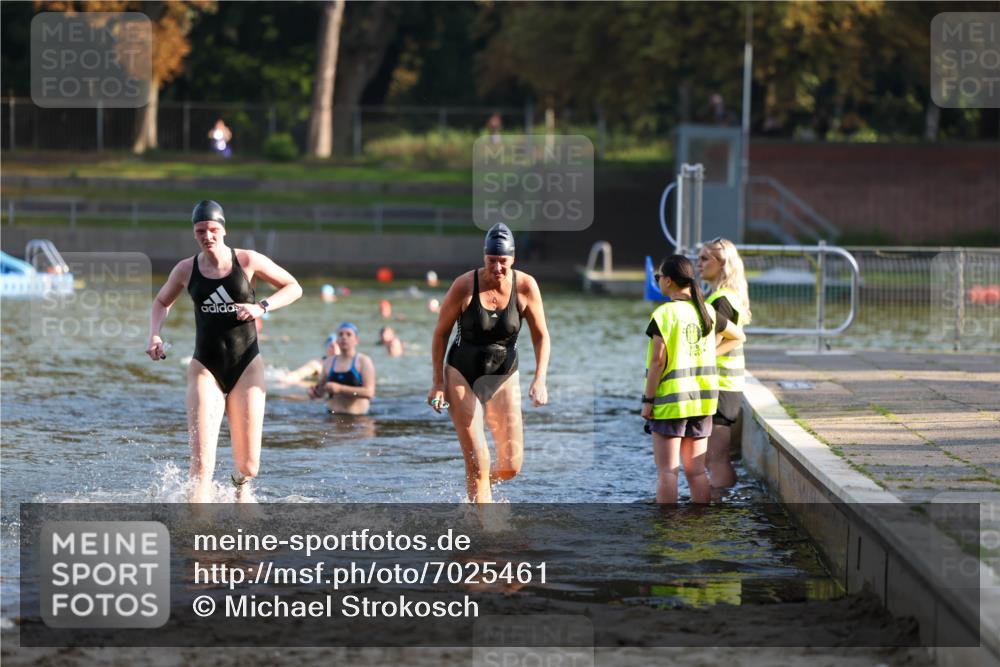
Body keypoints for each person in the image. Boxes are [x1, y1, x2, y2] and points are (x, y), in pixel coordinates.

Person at [147, 200, 302, 502]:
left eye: (213, 229)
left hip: (247, 364)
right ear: (194, 234)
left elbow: (293, 287)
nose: (208, 235)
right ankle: (198, 533)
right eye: (201, 230)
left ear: (224, 230)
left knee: (249, 465)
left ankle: (239, 490)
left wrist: (261, 307)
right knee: (202, 464)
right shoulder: (185, 270)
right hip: (205, 366)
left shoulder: (247, 261)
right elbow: (161, 303)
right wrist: (154, 334)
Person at [428, 223, 550, 504]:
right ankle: (484, 528)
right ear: (484, 257)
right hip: (462, 372)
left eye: (502, 262)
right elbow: (440, 333)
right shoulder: (464, 285)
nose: (497, 268)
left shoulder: (525, 286)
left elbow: (542, 336)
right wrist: (437, 383)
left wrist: (540, 378)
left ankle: (478, 489)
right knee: (478, 460)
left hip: (504, 374)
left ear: (513, 259)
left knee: (510, 466)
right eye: (491, 261)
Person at [641, 255, 745, 504]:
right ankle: (700, 528)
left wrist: (648, 401)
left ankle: (666, 531)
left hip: (671, 404)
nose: (658, 282)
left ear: (668, 281)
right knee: (697, 471)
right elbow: (738, 335)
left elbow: (657, 362)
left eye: (659, 278)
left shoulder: (664, 314)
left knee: (668, 472)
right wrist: (711, 353)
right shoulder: (706, 310)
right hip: (703, 403)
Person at [699, 237, 752, 490]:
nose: (698, 264)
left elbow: (723, 341)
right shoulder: (727, 296)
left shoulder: (720, 300)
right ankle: (721, 503)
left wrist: (701, 359)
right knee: (714, 458)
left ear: (722, 264)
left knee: (715, 459)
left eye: (704, 258)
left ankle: (719, 508)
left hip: (721, 387)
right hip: (727, 386)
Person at [310, 322, 376, 415]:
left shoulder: (363, 361)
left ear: (356, 340)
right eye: (340, 334)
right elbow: (321, 390)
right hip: (331, 416)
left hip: (359, 419)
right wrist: (315, 393)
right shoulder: (328, 362)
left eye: (349, 334)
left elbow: (370, 392)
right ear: (337, 340)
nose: (344, 337)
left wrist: (340, 389)